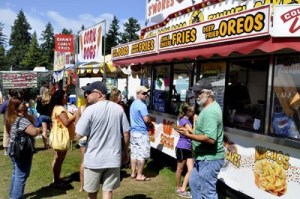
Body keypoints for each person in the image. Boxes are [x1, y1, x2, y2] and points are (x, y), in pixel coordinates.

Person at [75, 81, 130, 199]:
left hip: (94, 159)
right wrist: (125, 151)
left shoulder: (89, 110)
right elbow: (126, 133)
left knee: (92, 193)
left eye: (89, 92)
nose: (86, 95)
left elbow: (78, 134)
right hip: (113, 158)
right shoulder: (118, 109)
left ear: (99, 94)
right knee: (108, 192)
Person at [177, 78, 225, 199]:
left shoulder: (210, 112)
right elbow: (203, 133)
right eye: (196, 93)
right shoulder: (208, 108)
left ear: (208, 93)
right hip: (202, 158)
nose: (196, 96)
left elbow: (210, 139)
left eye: (199, 93)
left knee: (208, 192)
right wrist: (191, 129)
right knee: (194, 183)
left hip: (209, 160)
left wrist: (188, 135)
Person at [6, 96, 39, 198]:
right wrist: (40, 129)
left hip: (12, 149)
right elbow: (34, 132)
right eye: (21, 103)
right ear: (16, 107)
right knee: (21, 175)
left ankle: (13, 195)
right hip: (22, 151)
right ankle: (15, 197)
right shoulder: (22, 120)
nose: (24, 104)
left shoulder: (11, 118)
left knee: (16, 173)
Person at [49, 90, 76, 187]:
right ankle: (56, 181)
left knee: (57, 158)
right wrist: (75, 115)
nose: (67, 97)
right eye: (65, 96)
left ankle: (56, 179)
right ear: (60, 98)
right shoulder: (60, 109)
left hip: (58, 135)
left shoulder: (57, 108)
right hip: (61, 136)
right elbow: (66, 122)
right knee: (59, 159)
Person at [130, 86, 153, 181]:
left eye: (147, 93)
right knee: (142, 154)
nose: (146, 95)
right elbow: (146, 119)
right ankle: (139, 175)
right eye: (144, 93)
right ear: (138, 93)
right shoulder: (142, 105)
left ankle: (133, 173)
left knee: (134, 153)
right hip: (141, 132)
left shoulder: (133, 104)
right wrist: (151, 124)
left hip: (133, 132)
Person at [175, 103, 194, 198]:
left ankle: (183, 187)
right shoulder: (184, 121)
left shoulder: (187, 120)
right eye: (192, 111)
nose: (194, 112)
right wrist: (196, 120)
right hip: (182, 147)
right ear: (187, 112)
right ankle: (178, 187)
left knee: (191, 169)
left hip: (188, 148)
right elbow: (193, 132)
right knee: (180, 169)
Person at [74, 88, 89, 192]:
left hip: (82, 137)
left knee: (83, 161)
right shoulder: (94, 108)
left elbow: (76, 124)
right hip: (92, 137)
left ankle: (82, 186)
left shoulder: (81, 109)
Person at [0, 89, 19, 155]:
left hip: (7, 120)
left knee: (6, 135)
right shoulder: (18, 101)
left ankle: (6, 150)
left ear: (9, 95)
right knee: (16, 134)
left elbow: (0, 110)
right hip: (17, 120)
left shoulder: (6, 102)